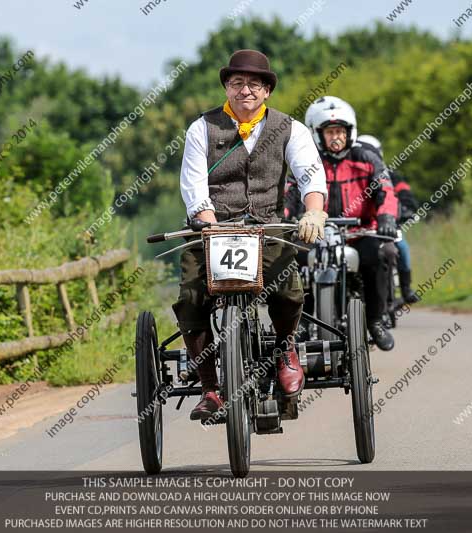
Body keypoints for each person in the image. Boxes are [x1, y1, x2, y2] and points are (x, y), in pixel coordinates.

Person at [175, 49, 328, 420]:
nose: (246, 90)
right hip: (210, 227)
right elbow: (194, 184)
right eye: (237, 83)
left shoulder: (290, 128)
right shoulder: (201, 128)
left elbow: (310, 173)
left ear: (267, 91)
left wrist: (313, 210)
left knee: (289, 291)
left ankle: (285, 348)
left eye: (254, 84)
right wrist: (210, 225)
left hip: (267, 227)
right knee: (191, 298)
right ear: (227, 87)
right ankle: (211, 388)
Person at [304, 96, 398, 351]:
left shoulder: (367, 158)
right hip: (316, 233)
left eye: (340, 132)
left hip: (360, 232)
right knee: (292, 257)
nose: (336, 137)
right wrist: (286, 215)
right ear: (318, 134)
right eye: (330, 132)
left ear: (350, 132)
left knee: (381, 254)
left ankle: (375, 320)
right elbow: (290, 192)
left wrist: (387, 217)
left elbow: (385, 190)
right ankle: (301, 321)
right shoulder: (308, 161)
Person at [357, 134, 419, 303]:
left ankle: (406, 288)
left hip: (391, 222)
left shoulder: (392, 175)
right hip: (363, 226)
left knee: (402, 248)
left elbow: (405, 195)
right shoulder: (358, 172)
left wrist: (407, 210)